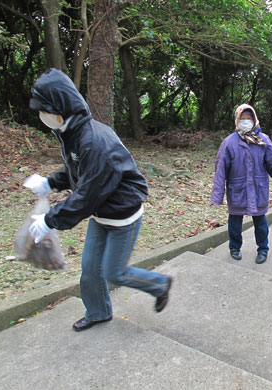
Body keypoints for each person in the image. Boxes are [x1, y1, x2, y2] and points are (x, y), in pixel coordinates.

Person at [24, 68, 172, 332]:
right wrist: (51, 182)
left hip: (122, 216)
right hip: (101, 212)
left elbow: (87, 194)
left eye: (44, 109)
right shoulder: (72, 132)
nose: (42, 115)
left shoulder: (93, 141)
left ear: (60, 107)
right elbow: (77, 172)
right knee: (90, 269)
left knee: (115, 272)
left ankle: (159, 285)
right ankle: (98, 312)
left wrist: (51, 220)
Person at [211, 103, 272, 264]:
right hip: (237, 189)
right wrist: (217, 196)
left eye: (249, 118)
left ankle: (263, 249)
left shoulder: (263, 140)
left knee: (261, 223)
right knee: (235, 223)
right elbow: (220, 171)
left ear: (255, 119)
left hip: (258, 190)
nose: (246, 121)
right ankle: (234, 247)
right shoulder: (229, 143)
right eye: (242, 118)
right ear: (237, 120)